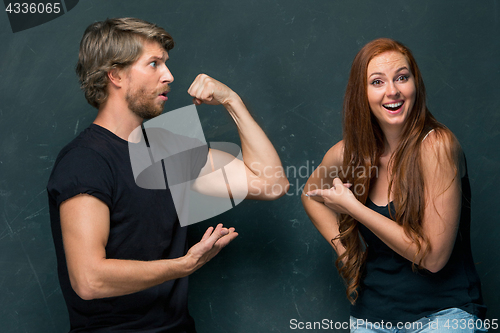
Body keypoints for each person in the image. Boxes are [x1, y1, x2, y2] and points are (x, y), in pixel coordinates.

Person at [47, 17, 289, 332]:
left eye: (166, 64)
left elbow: (272, 184)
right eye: (154, 64)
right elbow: (89, 280)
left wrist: (232, 101)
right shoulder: (84, 161)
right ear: (116, 74)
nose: (169, 75)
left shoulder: (166, 147)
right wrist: (182, 266)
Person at [302, 38, 487, 332]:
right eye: (377, 82)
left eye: (402, 77)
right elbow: (311, 196)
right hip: (370, 318)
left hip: (444, 315)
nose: (393, 91)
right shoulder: (348, 153)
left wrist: (352, 207)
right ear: (361, 94)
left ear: (415, 84)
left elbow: (433, 258)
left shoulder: (437, 146)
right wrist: (349, 256)